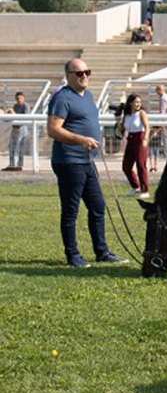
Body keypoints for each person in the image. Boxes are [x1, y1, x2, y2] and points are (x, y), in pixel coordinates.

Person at [46, 58, 126, 268]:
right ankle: (73, 256)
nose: (84, 76)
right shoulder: (62, 98)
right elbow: (53, 129)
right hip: (69, 161)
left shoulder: (88, 95)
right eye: (79, 73)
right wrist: (81, 140)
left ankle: (102, 252)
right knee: (71, 210)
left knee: (98, 206)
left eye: (87, 72)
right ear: (68, 76)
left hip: (87, 161)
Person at [121, 93, 150, 199]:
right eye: (136, 102)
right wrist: (117, 119)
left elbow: (147, 127)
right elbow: (121, 130)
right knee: (126, 166)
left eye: (139, 102)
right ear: (130, 103)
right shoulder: (127, 115)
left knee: (141, 165)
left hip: (140, 138)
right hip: (131, 139)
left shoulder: (141, 113)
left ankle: (145, 189)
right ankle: (135, 186)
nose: (138, 104)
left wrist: (145, 139)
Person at [4, 91, 29, 171]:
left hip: (22, 128)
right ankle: (11, 164)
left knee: (20, 147)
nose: (19, 100)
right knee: (12, 146)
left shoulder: (26, 106)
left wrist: (13, 113)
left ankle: (20, 165)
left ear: (23, 98)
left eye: (21, 98)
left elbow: (24, 118)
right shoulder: (15, 106)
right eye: (18, 98)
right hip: (15, 128)